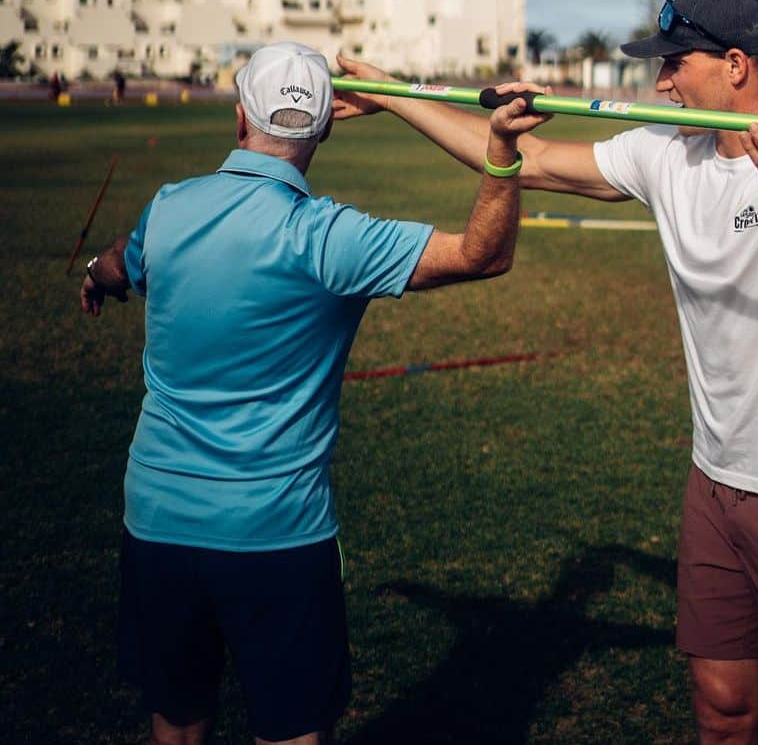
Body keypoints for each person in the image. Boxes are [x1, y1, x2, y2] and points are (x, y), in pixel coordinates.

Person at [335, 0, 758, 745]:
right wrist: (391, 95)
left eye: (674, 65)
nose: (659, 83)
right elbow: (524, 159)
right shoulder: (666, 155)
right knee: (724, 711)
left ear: (733, 65)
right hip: (717, 481)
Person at [79, 40, 547, 745]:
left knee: (176, 726)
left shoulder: (169, 208)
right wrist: (502, 150)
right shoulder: (328, 237)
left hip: (159, 520)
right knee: (293, 732)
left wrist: (96, 272)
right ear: (327, 127)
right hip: (275, 533)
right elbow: (484, 254)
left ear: (240, 118)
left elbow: (121, 263)